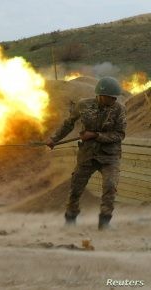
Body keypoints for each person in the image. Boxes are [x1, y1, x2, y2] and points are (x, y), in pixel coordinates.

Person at [46, 76, 127, 230]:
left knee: (110, 186)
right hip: (87, 154)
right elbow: (68, 124)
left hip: (110, 156)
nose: (113, 100)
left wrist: (96, 135)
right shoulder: (83, 105)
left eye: (114, 97)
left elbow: (119, 135)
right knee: (76, 187)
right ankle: (70, 219)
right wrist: (54, 139)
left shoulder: (119, 109)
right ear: (100, 95)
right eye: (110, 97)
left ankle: (105, 221)